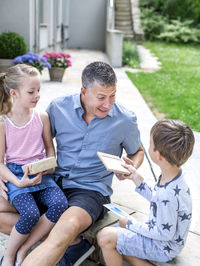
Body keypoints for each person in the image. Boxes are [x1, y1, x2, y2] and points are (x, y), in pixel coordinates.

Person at [0, 61, 144, 266]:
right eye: (101, 97)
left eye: (113, 95)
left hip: (89, 192)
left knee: (64, 228)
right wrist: (5, 177)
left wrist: (131, 167)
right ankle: (75, 245)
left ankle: (44, 249)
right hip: (51, 182)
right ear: (84, 91)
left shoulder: (125, 120)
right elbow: (34, 144)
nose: (108, 103)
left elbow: (137, 151)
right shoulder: (58, 108)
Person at [97, 119, 195, 266]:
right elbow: (159, 202)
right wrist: (138, 180)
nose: (148, 146)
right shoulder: (175, 177)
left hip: (162, 246)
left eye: (150, 144)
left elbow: (163, 233)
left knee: (105, 237)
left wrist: (131, 223)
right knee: (118, 236)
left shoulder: (167, 193)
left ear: (159, 155)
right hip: (170, 243)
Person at [0, 64, 68, 266]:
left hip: (42, 174)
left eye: (39, 90)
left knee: (60, 204)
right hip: (17, 176)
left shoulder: (42, 118)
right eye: (31, 91)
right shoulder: (3, 124)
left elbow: (50, 150)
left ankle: (24, 248)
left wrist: (48, 165)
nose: (37, 95)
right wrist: (17, 183)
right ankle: (10, 254)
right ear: (14, 93)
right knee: (30, 213)